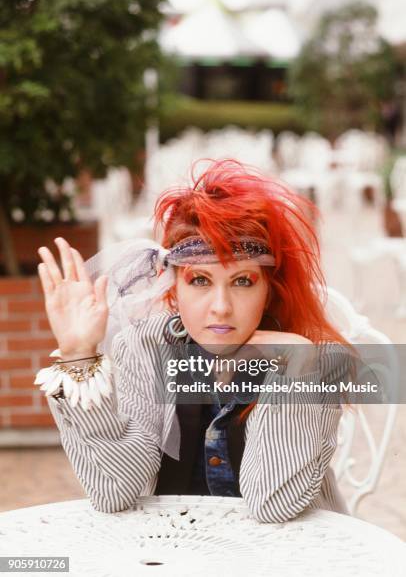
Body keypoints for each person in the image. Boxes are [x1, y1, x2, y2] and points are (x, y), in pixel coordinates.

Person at [35, 159, 351, 521]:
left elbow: (273, 505)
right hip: (176, 549)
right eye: (200, 280)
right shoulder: (147, 347)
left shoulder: (319, 361)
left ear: (269, 289)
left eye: (243, 281)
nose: (221, 308)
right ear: (174, 285)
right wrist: (79, 357)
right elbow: (114, 490)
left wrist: (296, 367)